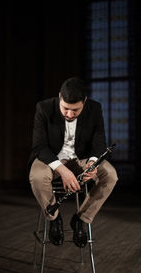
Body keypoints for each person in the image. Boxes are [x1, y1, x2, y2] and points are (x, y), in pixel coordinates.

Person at [29, 77, 118, 248]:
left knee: (111, 175)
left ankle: (81, 219)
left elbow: (99, 141)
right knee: (37, 177)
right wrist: (62, 170)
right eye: (65, 109)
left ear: (85, 101)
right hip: (50, 159)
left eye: (75, 110)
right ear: (60, 96)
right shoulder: (44, 107)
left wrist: (93, 163)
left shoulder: (95, 108)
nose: (69, 115)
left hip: (82, 158)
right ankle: (54, 218)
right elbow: (39, 146)